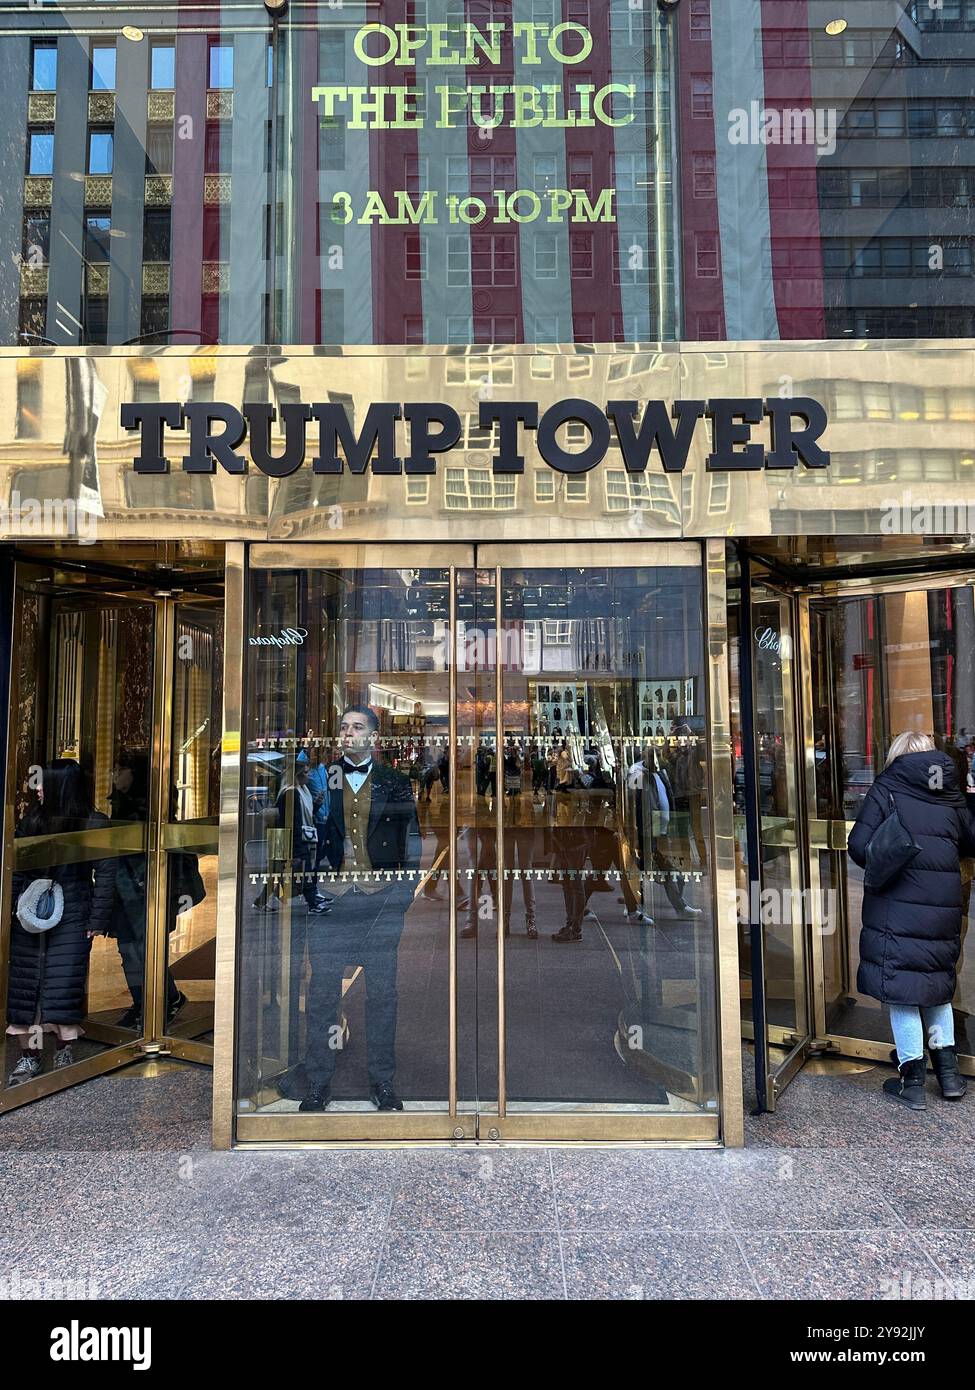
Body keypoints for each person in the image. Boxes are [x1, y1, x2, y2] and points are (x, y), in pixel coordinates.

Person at [300, 705, 420, 1113]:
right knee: (322, 994)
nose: (348, 733)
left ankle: (382, 1082)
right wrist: (307, 890)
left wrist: (401, 899)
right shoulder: (319, 779)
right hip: (332, 900)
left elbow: (412, 842)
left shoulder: (396, 782)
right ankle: (317, 1082)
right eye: (343, 727)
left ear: (373, 737)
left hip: (379, 901)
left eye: (357, 727)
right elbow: (303, 836)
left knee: (384, 996)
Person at [848, 732, 975, 1110]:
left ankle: (913, 1078)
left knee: (902, 988)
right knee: (936, 985)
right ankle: (949, 1076)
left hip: (897, 904)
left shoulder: (888, 786)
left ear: (899, 755)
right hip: (943, 906)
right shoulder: (950, 792)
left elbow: (859, 845)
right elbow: (970, 841)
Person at [6, 760, 117, 1083]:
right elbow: (19, 869)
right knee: (26, 987)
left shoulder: (94, 823)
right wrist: (13, 908)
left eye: (42, 783)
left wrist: (97, 919)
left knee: (63, 983)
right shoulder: (34, 820)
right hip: (30, 914)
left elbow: (106, 875)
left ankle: (64, 1050)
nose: (37, 788)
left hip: (73, 912)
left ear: (61, 786)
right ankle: (30, 1057)